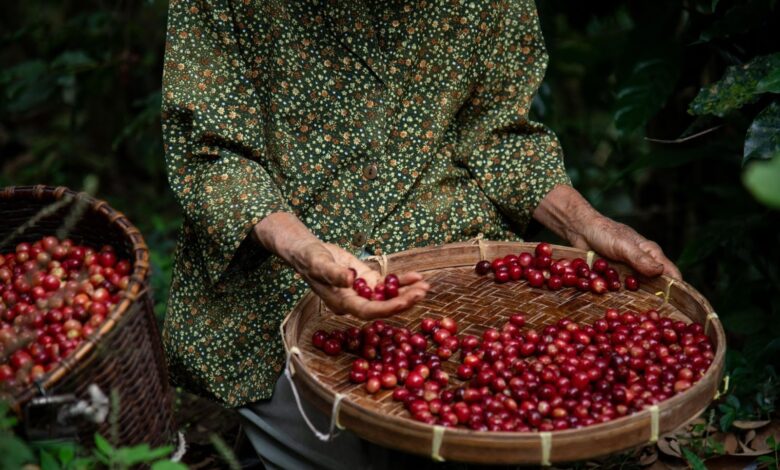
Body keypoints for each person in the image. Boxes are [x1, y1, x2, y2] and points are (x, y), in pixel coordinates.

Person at [160, 0, 682, 468]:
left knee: (487, 409)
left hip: (452, 257)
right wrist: (300, 248)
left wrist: (585, 222)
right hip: (284, 261)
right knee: (327, 438)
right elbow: (213, 155)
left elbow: (497, 132)